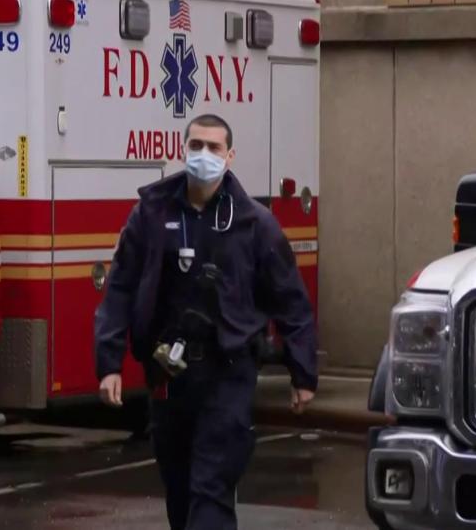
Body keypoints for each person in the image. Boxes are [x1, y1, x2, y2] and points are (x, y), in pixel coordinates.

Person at [94, 113, 318, 530]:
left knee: (210, 487)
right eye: (195, 145)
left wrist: (302, 372)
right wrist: (109, 363)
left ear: (230, 156)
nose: (203, 154)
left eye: (214, 147)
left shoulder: (253, 222)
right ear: (183, 150)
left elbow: (291, 300)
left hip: (227, 373)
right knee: (180, 491)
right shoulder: (151, 214)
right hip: (168, 374)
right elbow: (121, 287)